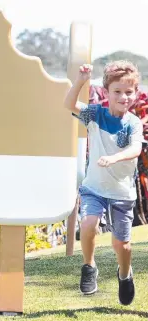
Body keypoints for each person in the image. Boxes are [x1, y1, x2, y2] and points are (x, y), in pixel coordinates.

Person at [64, 60, 144, 305]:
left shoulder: (133, 123)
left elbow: (135, 149)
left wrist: (114, 158)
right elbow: (68, 104)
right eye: (117, 91)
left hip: (122, 192)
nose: (123, 97)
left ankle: (124, 274)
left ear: (136, 93)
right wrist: (80, 80)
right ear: (107, 92)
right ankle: (89, 266)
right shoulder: (95, 115)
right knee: (88, 224)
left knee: (124, 245)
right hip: (94, 188)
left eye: (128, 92)